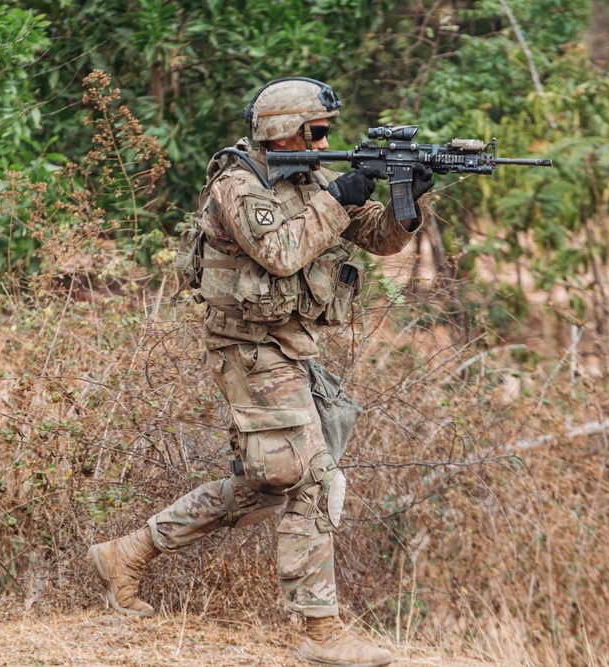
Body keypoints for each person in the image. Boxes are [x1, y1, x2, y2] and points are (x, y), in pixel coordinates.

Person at [88, 77, 434, 667]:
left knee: (274, 479)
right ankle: (321, 632)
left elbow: (377, 240)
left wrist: (408, 201)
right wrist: (341, 195)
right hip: (248, 350)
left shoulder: (312, 178)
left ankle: (130, 552)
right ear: (285, 131)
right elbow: (280, 252)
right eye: (317, 133)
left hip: (288, 349)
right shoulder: (239, 183)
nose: (326, 146)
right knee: (314, 478)